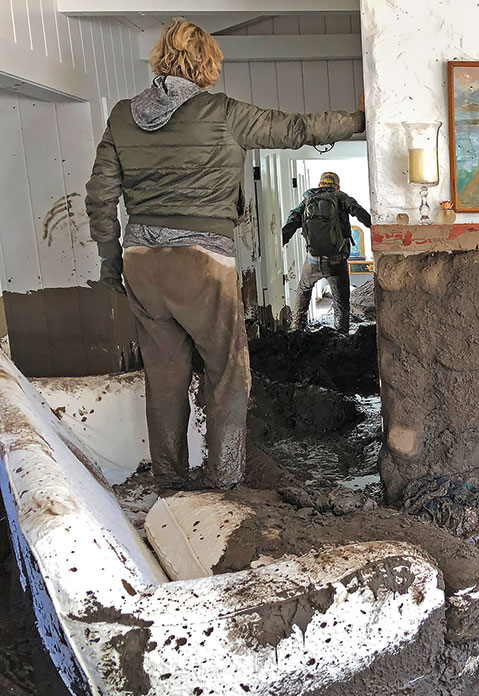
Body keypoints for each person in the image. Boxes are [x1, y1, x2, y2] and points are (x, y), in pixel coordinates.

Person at [84, 18, 365, 489]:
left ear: (160, 60)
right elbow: (296, 128)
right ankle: (224, 482)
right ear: (208, 65)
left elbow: (98, 195)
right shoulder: (222, 112)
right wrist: (358, 120)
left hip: (141, 263)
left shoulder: (121, 115)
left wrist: (111, 257)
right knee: (228, 373)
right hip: (202, 262)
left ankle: (171, 485)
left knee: (165, 378)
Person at [282, 172, 371, 332]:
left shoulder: (308, 199)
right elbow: (357, 210)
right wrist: (374, 226)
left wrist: (281, 239)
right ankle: (341, 335)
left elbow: (294, 218)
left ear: (319, 185)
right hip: (336, 262)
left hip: (313, 261)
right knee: (341, 302)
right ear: (337, 186)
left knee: (303, 290)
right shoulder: (341, 197)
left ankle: (297, 328)